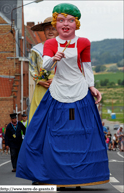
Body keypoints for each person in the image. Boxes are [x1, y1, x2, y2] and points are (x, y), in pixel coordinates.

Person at [16, 3, 109, 187]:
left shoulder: (84, 42)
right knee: (53, 134)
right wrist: (53, 59)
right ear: (56, 22)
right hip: (56, 93)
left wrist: (92, 86)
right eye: (60, 20)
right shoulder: (49, 45)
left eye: (70, 20)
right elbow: (44, 69)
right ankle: (54, 175)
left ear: (76, 23)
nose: (65, 24)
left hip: (80, 93)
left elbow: (87, 66)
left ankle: (79, 177)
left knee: (79, 135)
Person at [29, 17, 58, 123]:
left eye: (53, 28)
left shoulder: (65, 48)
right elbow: (32, 69)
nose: (50, 31)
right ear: (44, 31)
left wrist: (57, 79)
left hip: (60, 87)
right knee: (40, 117)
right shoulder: (36, 50)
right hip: (42, 87)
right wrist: (39, 80)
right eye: (47, 29)